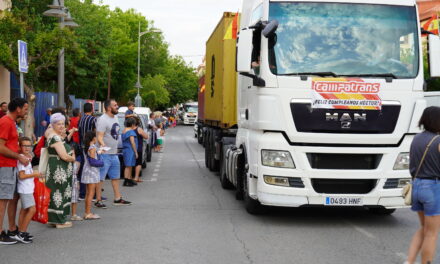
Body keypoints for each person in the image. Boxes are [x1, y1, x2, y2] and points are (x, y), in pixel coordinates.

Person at [406, 106, 440, 264]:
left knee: (424, 228)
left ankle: (409, 261)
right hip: (432, 187)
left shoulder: (417, 138)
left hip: (416, 185)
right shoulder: (438, 140)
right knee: (432, 233)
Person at [0, 98, 29, 245]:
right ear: (18, 109)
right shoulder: (6, 122)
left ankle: (11, 229)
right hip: (4, 165)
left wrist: (22, 152)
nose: (26, 111)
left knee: (10, 199)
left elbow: (9, 145)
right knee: (3, 200)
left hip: (10, 165)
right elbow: (1, 147)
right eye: (25, 108)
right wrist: (19, 156)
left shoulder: (11, 122)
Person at [95, 99, 131, 207]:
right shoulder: (102, 120)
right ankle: (98, 200)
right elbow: (99, 136)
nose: (117, 106)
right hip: (104, 154)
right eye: (115, 105)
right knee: (100, 178)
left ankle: (117, 198)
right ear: (109, 108)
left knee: (115, 177)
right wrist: (102, 144)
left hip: (114, 153)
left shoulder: (115, 117)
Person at [45, 113, 76, 229]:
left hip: (57, 168)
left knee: (56, 193)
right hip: (59, 170)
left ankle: (54, 219)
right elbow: (64, 156)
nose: (62, 126)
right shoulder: (55, 137)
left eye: (63, 123)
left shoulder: (51, 134)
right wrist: (72, 158)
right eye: (58, 124)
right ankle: (59, 221)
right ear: (52, 124)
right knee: (59, 192)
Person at [15, 137, 44, 243]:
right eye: (24, 146)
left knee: (24, 210)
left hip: (27, 188)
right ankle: (22, 232)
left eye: (29, 145)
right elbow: (21, 176)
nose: (27, 148)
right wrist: (34, 174)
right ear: (20, 147)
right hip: (24, 189)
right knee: (32, 209)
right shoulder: (22, 159)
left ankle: (20, 232)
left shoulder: (27, 157)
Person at [78, 103, 97, 201]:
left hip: (82, 146)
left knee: (83, 168)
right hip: (90, 146)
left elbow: (79, 132)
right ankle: (92, 194)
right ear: (92, 109)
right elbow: (95, 132)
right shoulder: (93, 119)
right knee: (92, 169)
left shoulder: (80, 119)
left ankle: (82, 193)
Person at [81, 131, 100, 220]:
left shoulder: (86, 146)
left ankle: (87, 212)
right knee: (91, 193)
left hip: (86, 170)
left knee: (88, 193)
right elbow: (92, 160)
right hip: (91, 171)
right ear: (93, 138)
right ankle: (88, 213)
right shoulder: (92, 147)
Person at [122, 117, 138, 187]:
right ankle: (126, 181)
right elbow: (132, 142)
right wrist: (136, 152)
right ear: (132, 124)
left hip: (125, 149)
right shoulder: (131, 131)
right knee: (128, 166)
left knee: (129, 165)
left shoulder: (124, 130)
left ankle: (128, 179)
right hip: (130, 150)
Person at [134, 117, 148, 183]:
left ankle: (130, 177)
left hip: (130, 149)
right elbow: (146, 136)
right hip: (138, 148)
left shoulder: (127, 129)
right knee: (138, 163)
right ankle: (136, 177)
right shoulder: (138, 129)